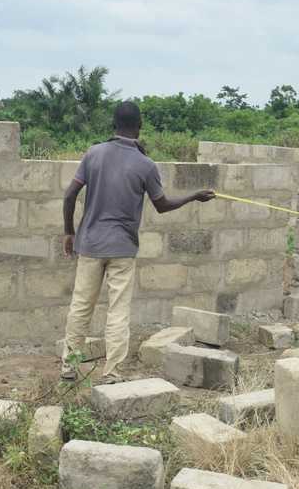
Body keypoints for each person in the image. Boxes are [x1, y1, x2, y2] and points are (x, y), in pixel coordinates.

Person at [61, 101, 215, 382]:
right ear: (140, 125)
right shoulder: (145, 165)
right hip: (122, 249)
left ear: (113, 124)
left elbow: (70, 195)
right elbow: (162, 205)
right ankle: (111, 373)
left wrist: (69, 232)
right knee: (118, 312)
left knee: (81, 306)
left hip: (90, 245)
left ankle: (69, 368)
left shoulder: (93, 153)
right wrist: (194, 196)